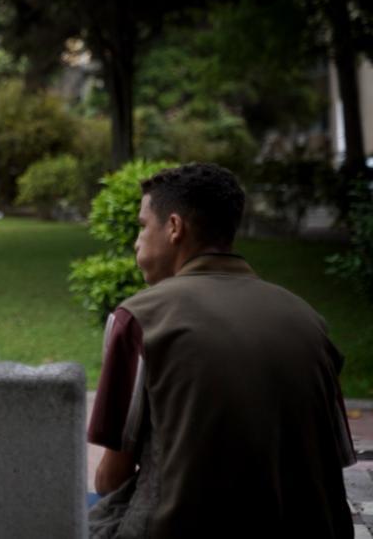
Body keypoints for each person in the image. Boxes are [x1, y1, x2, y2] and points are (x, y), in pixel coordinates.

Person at [87, 163, 355, 538]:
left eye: (142, 226)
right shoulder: (309, 320)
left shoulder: (139, 319)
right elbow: (338, 456)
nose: (137, 240)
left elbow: (111, 478)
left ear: (175, 227)